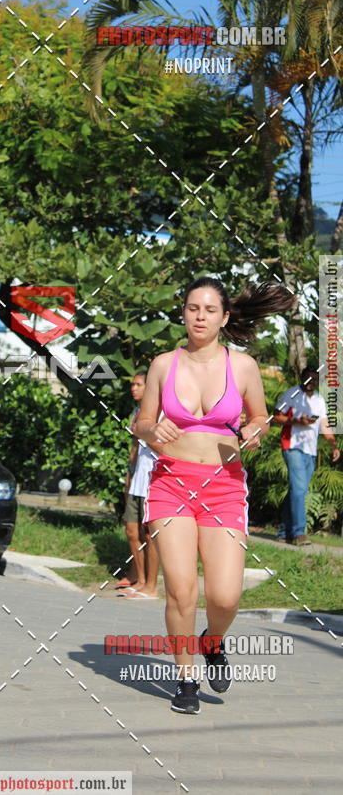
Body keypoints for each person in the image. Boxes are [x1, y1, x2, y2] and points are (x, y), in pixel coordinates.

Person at [133, 276, 294, 715]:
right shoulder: (163, 364)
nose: (199, 316)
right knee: (181, 590)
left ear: (224, 317)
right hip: (171, 483)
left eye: (208, 310)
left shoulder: (242, 367)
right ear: (183, 313)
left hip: (223, 486)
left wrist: (255, 429)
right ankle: (185, 678)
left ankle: (212, 641)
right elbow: (141, 423)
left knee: (225, 596)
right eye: (191, 308)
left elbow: (261, 416)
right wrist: (152, 428)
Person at [272, 366, 340, 545]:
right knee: (300, 489)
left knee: (297, 489)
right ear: (302, 379)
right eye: (308, 379)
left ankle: (283, 532)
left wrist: (333, 445)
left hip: (310, 450)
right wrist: (297, 421)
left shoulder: (319, 399)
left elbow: (324, 424)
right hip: (292, 445)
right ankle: (298, 533)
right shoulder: (291, 394)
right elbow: (276, 417)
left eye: (315, 379)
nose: (312, 382)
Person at [116, 373, 159, 599]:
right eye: (131, 384)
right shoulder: (136, 413)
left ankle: (151, 584)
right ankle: (140, 579)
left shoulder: (160, 413)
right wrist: (129, 473)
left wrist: (144, 433)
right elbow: (135, 447)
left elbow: (167, 447)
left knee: (150, 534)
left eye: (138, 384)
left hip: (154, 477)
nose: (133, 388)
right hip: (137, 477)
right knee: (132, 531)